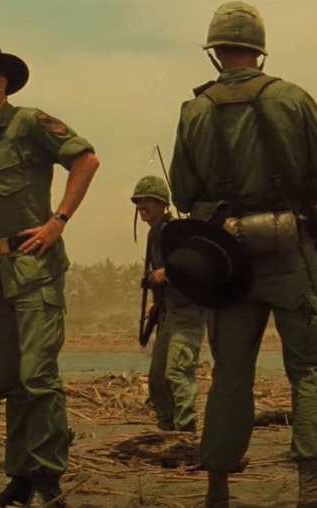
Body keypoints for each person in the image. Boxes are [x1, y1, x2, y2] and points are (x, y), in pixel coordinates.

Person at [0, 37, 99, 507]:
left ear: (1, 82)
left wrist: (58, 220)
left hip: (36, 269)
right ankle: (21, 479)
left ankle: (48, 481)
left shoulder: (28, 122)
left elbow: (86, 159)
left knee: (38, 375)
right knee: (9, 379)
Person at [166, 3, 317, 507]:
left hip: (230, 265)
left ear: (215, 52)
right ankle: (310, 487)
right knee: (309, 370)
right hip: (293, 255)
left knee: (230, 374)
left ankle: (217, 489)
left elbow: (183, 194)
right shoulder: (295, 99)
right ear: (260, 50)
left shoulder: (194, 112)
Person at [131, 176, 205, 433]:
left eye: (149, 200)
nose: (142, 205)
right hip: (167, 314)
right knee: (157, 380)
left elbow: (197, 264)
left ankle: (185, 433)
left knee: (177, 372)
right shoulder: (154, 234)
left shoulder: (177, 231)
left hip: (187, 313)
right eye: (139, 201)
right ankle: (167, 432)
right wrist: (156, 300)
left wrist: (168, 273)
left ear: (163, 204)